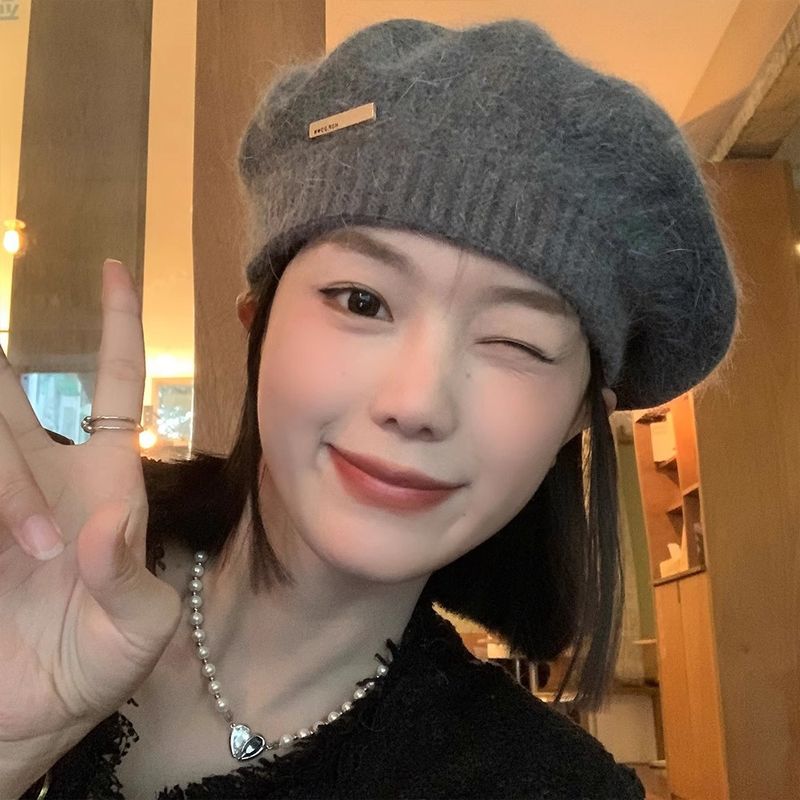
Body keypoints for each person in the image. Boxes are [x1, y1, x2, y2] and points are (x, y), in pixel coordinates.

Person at [0, 16, 739, 800]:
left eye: (516, 341)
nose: (415, 403)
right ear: (258, 323)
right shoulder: (29, 560)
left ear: (575, 423)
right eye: (362, 300)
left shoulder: (540, 787)